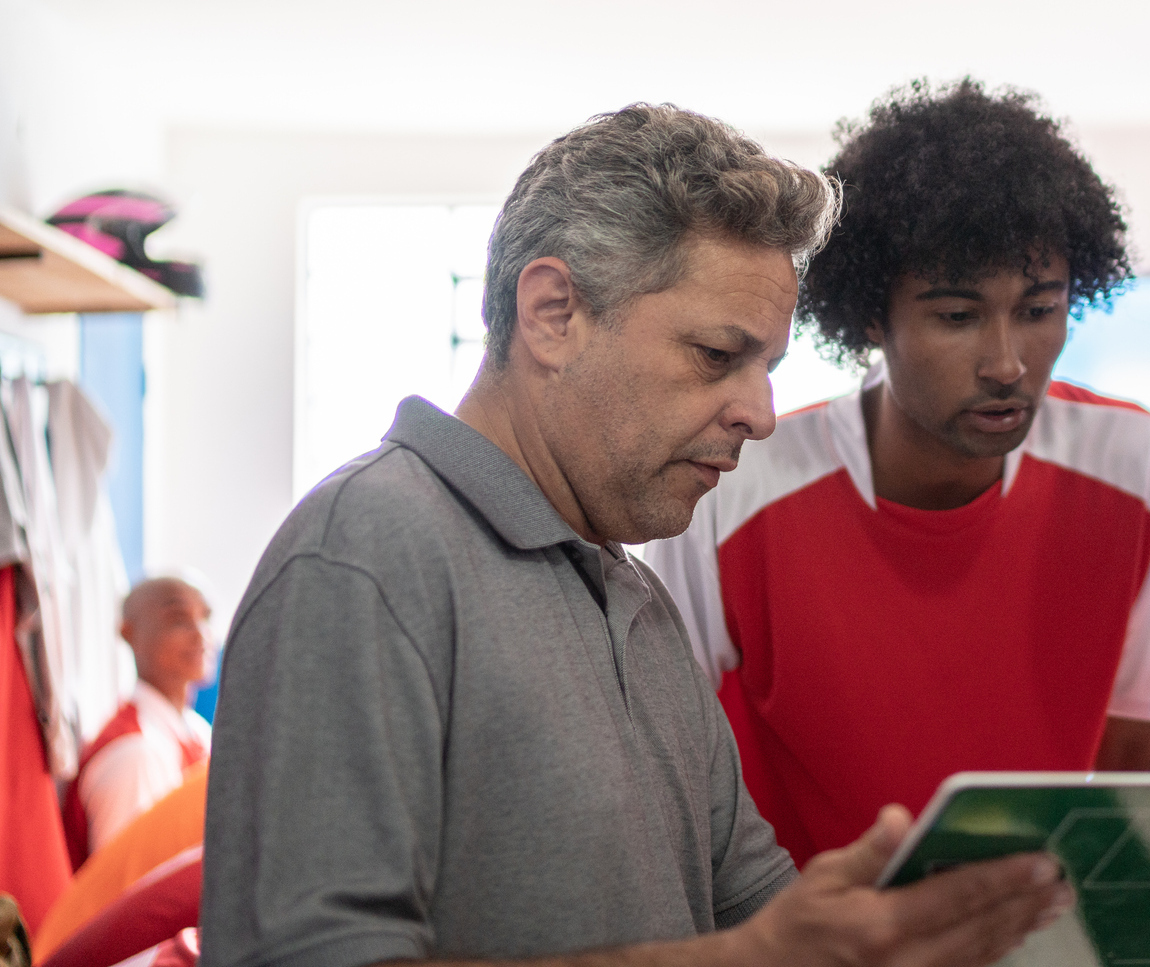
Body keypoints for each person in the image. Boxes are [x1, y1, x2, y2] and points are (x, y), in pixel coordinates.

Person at [200, 103, 1071, 967]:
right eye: (715, 356)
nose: (760, 415)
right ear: (552, 313)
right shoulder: (367, 551)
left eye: (767, 367)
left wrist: (878, 930)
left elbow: (750, 911)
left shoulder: (635, 594)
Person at [643, 79, 1150, 866]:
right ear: (873, 316)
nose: (1007, 362)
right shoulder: (734, 486)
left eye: (1039, 309)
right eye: (956, 316)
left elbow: (1134, 758)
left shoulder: (1131, 462)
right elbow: (665, 779)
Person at [62, 578, 213, 866]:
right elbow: (123, 893)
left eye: (205, 617)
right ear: (129, 634)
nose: (200, 633)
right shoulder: (135, 754)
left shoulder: (197, 731)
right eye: (178, 620)